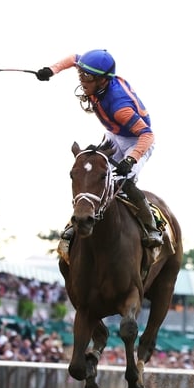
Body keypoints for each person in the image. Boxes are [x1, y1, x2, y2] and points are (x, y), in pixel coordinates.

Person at [36, 50, 163, 248]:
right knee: (93, 173)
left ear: (102, 81)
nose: (82, 80)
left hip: (136, 141)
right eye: (81, 75)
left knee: (123, 181)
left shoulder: (120, 106)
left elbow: (147, 135)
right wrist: (51, 71)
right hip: (114, 134)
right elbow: (73, 58)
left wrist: (131, 160)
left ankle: (151, 226)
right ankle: (76, 221)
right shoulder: (97, 78)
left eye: (87, 77)